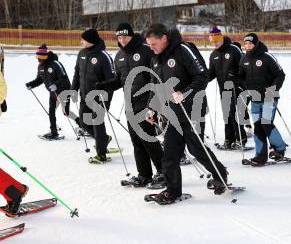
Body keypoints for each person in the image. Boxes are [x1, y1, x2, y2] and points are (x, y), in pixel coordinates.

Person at [145, 23, 228, 202]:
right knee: (170, 153)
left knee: (196, 148)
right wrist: (151, 108)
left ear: (164, 38)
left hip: (193, 108)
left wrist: (185, 93)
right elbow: (156, 86)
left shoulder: (183, 50)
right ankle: (173, 191)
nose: (151, 48)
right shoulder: (155, 58)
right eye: (149, 45)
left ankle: (220, 175)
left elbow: (202, 76)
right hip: (173, 113)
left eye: (154, 44)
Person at [96, 23, 164, 187]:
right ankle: (144, 175)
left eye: (125, 36)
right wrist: (103, 85)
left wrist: (153, 104)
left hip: (146, 102)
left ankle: (164, 172)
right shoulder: (119, 56)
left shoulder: (145, 50)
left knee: (148, 139)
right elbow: (120, 80)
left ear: (132, 36)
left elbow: (155, 77)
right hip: (130, 104)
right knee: (137, 142)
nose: (122, 40)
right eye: (119, 37)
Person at [237, 33, 287, 165]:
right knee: (258, 127)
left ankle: (280, 148)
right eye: (245, 44)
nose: (247, 46)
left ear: (256, 44)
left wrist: (273, 88)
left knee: (266, 124)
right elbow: (241, 77)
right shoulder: (244, 59)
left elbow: (280, 75)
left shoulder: (267, 57)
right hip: (255, 98)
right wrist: (237, 81)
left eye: (250, 43)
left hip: (269, 97)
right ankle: (260, 156)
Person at [71, 29, 116, 164]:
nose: (81, 42)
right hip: (85, 96)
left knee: (97, 123)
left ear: (90, 40)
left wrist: (106, 97)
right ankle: (102, 139)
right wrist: (73, 90)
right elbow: (77, 74)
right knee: (84, 122)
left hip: (100, 97)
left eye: (83, 39)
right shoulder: (81, 54)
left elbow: (112, 80)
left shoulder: (103, 56)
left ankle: (101, 154)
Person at [25, 45, 79, 140]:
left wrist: (56, 85)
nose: (39, 60)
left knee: (66, 112)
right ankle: (54, 132)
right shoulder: (40, 66)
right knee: (51, 111)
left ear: (45, 57)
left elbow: (64, 78)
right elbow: (39, 79)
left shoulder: (55, 64)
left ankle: (82, 125)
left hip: (63, 91)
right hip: (52, 93)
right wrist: (31, 84)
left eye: (41, 58)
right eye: (38, 58)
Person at [207, 26, 247, 149]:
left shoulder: (234, 50)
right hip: (223, 89)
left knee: (234, 113)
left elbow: (244, 67)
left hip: (237, 88)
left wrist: (237, 76)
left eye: (216, 41)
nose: (215, 44)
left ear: (222, 38)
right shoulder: (213, 55)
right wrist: (200, 81)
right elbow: (211, 74)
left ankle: (241, 138)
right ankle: (229, 139)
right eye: (212, 42)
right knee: (227, 114)